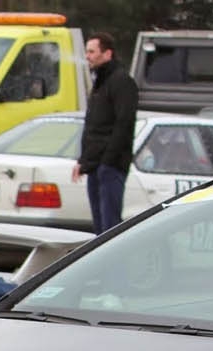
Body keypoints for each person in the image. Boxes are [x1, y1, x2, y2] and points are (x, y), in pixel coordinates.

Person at [72, 32, 138, 234]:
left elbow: (124, 124)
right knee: (99, 228)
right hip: (95, 166)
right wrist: (84, 161)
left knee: (110, 227)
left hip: (110, 166)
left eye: (92, 51)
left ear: (107, 53)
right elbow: (93, 126)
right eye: (86, 51)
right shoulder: (100, 83)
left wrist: (108, 161)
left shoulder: (121, 82)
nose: (87, 56)